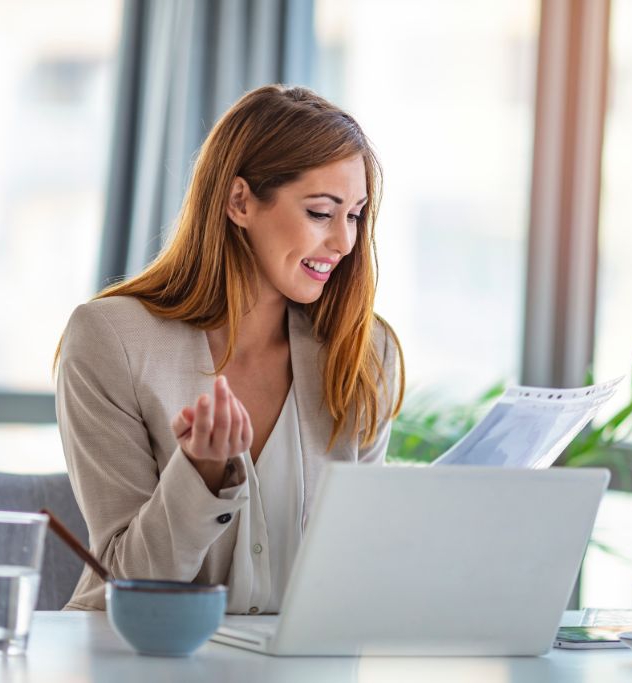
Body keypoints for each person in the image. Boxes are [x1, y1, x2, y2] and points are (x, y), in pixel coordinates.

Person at [55, 85, 405, 613]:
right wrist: (199, 475)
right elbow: (122, 579)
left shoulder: (362, 351)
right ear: (240, 201)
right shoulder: (111, 340)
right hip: (145, 662)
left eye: (354, 215)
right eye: (320, 212)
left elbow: (356, 571)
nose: (344, 242)